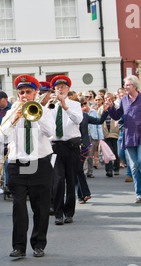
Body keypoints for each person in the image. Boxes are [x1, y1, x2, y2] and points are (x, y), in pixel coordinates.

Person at [0, 75, 55, 258]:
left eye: (28, 92)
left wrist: (35, 115)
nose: (24, 96)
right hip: (17, 164)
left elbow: (50, 132)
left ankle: (39, 244)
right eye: (21, 92)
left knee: (41, 208)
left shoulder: (44, 111)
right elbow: (1, 137)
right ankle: (19, 247)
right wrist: (14, 118)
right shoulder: (11, 111)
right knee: (19, 207)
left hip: (40, 162)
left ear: (34, 93)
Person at [107, 75, 141, 203]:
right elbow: (117, 115)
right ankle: (140, 193)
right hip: (129, 136)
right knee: (134, 167)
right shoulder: (124, 100)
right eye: (125, 85)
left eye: (128, 85)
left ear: (135, 86)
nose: (126, 87)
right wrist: (110, 108)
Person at [48, 75, 83, 225]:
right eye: (57, 88)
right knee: (57, 181)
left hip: (71, 146)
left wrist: (65, 107)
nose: (60, 90)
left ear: (68, 89)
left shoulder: (74, 105)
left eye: (62, 87)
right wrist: (47, 107)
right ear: (54, 90)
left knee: (70, 180)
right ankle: (58, 213)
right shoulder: (50, 105)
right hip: (55, 146)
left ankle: (69, 212)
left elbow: (78, 120)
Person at [77, 97, 108, 204]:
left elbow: (99, 121)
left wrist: (104, 111)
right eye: (79, 105)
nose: (81, 107)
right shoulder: (68, 116)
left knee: (79, 169)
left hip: (84, 146)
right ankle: (83, 195)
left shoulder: (85, 116)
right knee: (78, 170)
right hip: (72, 146)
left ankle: (83, 195)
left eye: (83, 104)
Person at [100, 93, 120, 177]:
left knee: (115, 151)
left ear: (112, 99)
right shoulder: (101, 108)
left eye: (109, 98)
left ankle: (116, 168)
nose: (107, 100)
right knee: (107, 152)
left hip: (115, 133)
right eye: (105, 98)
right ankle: (109, 170)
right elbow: (99, 120)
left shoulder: (117, 107)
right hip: (106, 133)